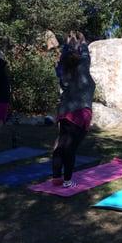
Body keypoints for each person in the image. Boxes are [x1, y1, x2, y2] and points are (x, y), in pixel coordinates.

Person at [52, 31, 96, 188]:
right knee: (70, 148)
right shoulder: (82, 69)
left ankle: (57, 177)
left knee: (61, 144)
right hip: (79, 113)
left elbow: (65, 58)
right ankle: (67, 181)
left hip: (64, 111)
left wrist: (67, 44)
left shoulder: (64, 72)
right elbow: (86, 57)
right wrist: (83, 42)